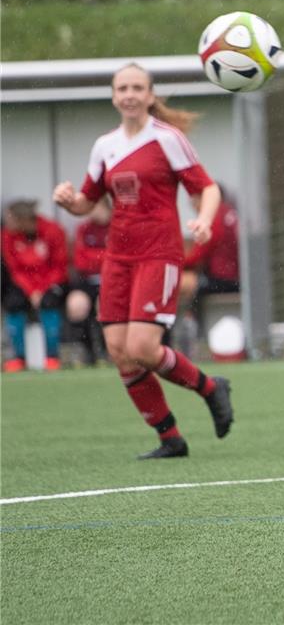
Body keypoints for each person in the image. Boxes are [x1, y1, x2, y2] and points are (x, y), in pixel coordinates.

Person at [53, 62, 234, 459]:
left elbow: (208, 188)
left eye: (138, 87)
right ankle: (170, 438)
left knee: (142, 347)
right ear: (114, 96)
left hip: (159, 255)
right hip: (118, 257)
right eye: (123, 88)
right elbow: (88, 201)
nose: (130, 95)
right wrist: (70, 201)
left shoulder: (167, 139)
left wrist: (203, 220)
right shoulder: (105, 145)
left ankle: (210, 387)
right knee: (119, 350)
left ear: (150, 96)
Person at [1, 199, 69, 372]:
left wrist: (43, 289)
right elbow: (15, 269)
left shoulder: (52, 230)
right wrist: (31, 291)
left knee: (49, 302)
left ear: (23, 220)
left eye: (11, 219)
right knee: (13, 303)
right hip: (25, 285)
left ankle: (52, 357)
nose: (7, 223)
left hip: (52, 282)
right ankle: (18, 358)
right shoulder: (7, 236)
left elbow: (59, 266)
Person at [175, 183, 240, 354]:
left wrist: (172, 263)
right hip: (234, 277)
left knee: (182, 284)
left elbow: (199, 255)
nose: (194, 206)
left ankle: (190, 330)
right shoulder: (228, 212)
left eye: (195, 201)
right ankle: (190, 328)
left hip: (224, 280)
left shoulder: (214, 218)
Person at [66, 195, 111, 366]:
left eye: (96, 206)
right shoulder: (83, 229)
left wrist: (95, 257)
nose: (92, 211)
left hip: (112, 280)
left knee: (106, 305)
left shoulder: (118, 227)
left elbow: (120, 258)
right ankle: (89, 352)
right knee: (76, 305)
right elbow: (80, 260)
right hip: (87, 281)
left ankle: (109, 352)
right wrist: (104, 257)